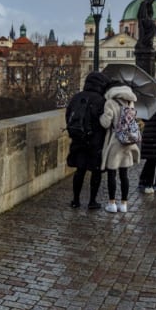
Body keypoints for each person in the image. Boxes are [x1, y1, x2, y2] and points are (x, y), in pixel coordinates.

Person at [66, 71, 110, 209]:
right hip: (95, 141)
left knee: (80, 170)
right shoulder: (101, 100)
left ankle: (76, 200)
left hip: (78, 139)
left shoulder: (76, 97)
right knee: (95, 172)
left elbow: (68, 116)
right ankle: (92, 201)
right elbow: (104, 122)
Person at [99, 83, 140, 213]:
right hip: (128, 142)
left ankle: (112, 203)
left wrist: (101, 117)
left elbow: (105, 123)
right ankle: (124, 204)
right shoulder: (130, 102)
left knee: (112, 174)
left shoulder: (110, 102)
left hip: (115, 142)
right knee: (124, 175)